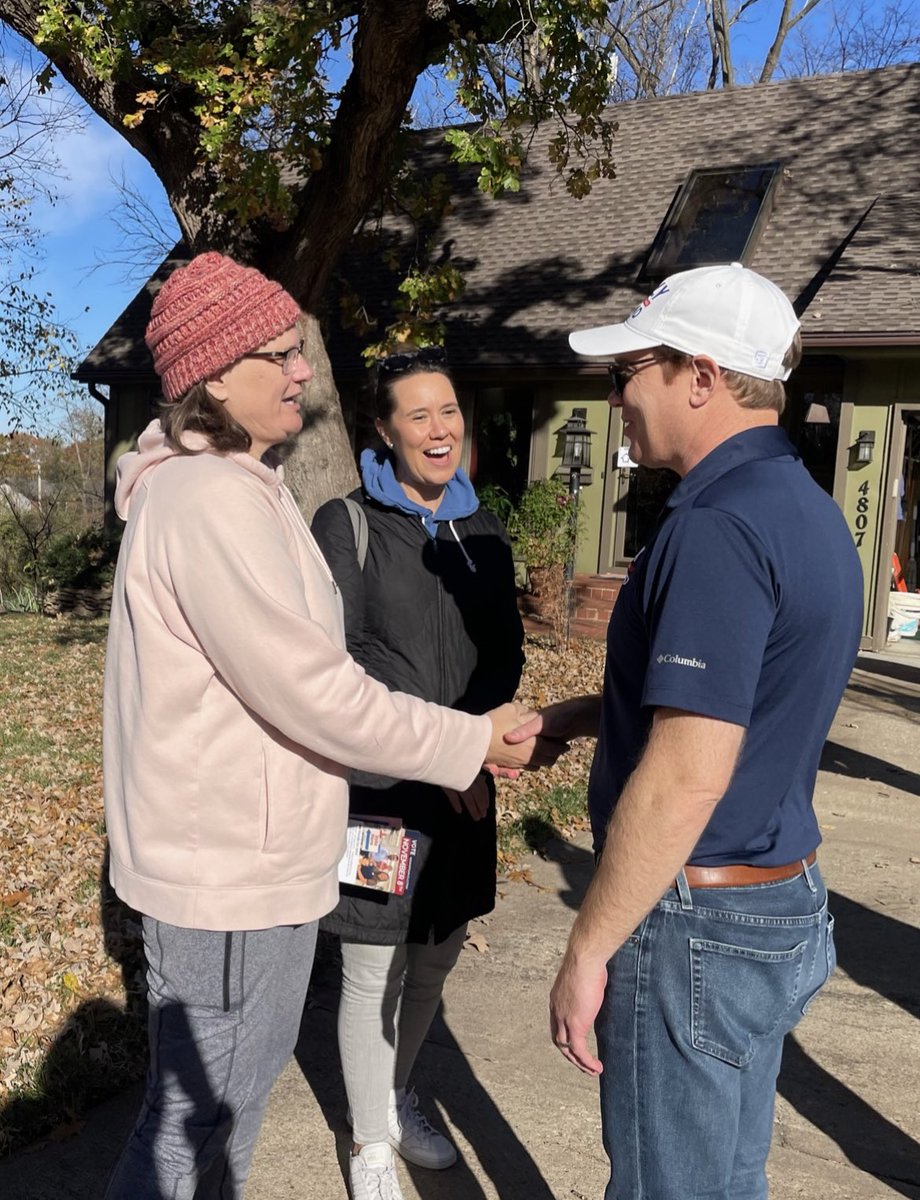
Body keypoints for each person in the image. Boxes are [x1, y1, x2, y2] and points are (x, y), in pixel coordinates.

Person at [101, 252, 546, 1200]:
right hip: (226, 874)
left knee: (219, 1116)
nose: (305, 369)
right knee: (197, 1126)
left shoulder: (238, 487)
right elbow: (313, 688)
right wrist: (465, 742)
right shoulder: (211, 501)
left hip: (251, 864)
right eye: (281, 352)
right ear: (217, 374)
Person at [510, 263, 864, 1200]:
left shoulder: (718, 525)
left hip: (697, 923)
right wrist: (585, 717)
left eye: (632, 369)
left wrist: (587, 950)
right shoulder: (808, 513)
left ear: (700, 377)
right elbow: (753, 706)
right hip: (777, 899)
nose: (616, 392)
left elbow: (687, 776)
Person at [310, 346, 525, 1200]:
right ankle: (367, 1143)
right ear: (384, 430)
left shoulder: (486, 530)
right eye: (419, 415)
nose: (440, 430)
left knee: (436, 957)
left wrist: (471, 747)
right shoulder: (348, 524)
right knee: (371, 971)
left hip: (469, 786)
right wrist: (439, 751)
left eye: (449, 411)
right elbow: (344, 663)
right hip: (383, 794)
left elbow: (504, 657)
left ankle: (396, 1099)